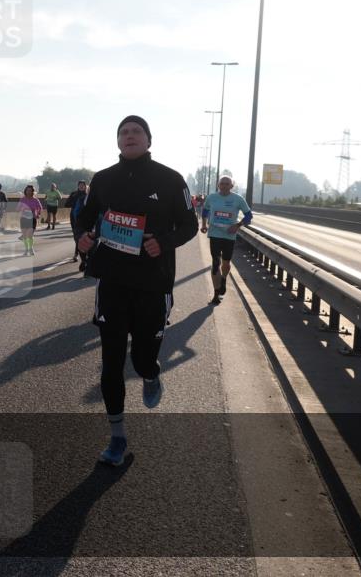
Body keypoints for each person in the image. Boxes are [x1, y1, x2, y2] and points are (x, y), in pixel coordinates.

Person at [77, 116, 197, 466]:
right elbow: (85, 219)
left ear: (147, 139)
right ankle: (117, 438)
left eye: (136, 132)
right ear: (118, 141)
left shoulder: (171, 179)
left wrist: (164, 242)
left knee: (142, 358)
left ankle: (151, 373)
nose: (129, 136)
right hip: (112, 280)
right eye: (123, 132)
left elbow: (189, 225)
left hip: (153, 282)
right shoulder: (103, 180)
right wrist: (82, 237)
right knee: (111, 361)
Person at [201, 175, 252, 305]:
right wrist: (203, 224)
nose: (224, 186)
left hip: (229, 236)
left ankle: (224, 278)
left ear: (231, 186)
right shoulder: (212, 197)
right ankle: (216, 294)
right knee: (215, 263)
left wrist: (237, 225)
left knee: (226, 263)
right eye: (222, 183)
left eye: (227, 184)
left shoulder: (238, 199)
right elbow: (205, 210)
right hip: (215, 234)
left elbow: (249, 216)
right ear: (218, 185)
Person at [65, 180, 89, 270]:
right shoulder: (74, 194)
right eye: (80, 185)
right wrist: (75, 203)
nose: (81, 186)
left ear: (85, 186)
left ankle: (82, 256)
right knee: (76, 237)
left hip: (85, 219)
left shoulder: (88, 195)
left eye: (83, 185)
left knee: (84, 237)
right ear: (78, 186)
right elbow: (66, 204)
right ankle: (77, 253)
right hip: (74, 217)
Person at [17, 185, 42, 257]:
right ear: (25, 191)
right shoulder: (22, 199)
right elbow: (18, 209)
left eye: (30, 191)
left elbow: (40, 208)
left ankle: (30, 248)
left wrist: (38, 214)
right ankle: (26, 249)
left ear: (32, 192)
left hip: (32, 219)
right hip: (24, 219)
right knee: (25, 236)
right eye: (27, 190)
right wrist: (22, 208)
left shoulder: (35, 200)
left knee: (30, 235)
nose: (28, 192)